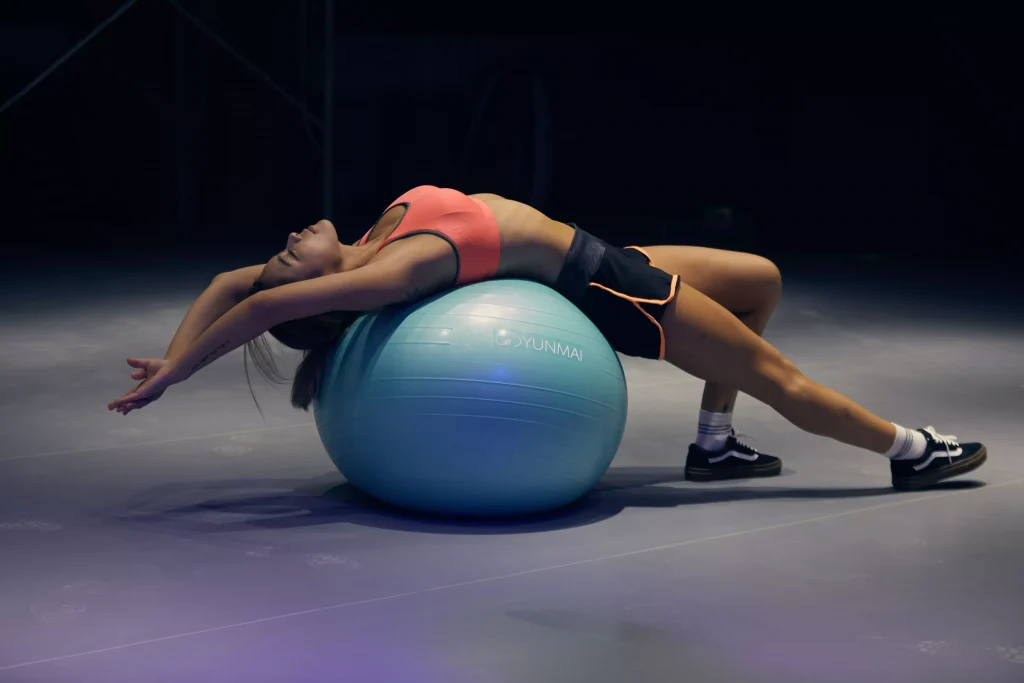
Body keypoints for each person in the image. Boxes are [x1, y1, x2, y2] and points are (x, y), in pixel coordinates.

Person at [108, 185, 986, 491]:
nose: (288, 238)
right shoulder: (381, 274)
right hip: (608, 287)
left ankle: (714, 447)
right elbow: (255, 307)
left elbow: (233, 286)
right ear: (320, 291)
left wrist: (174, 346)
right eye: (287, 256)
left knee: (761, 279)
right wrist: (178, 375)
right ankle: (909, 447)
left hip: (598, 253)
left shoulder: (369, 243)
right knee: (778, 376)